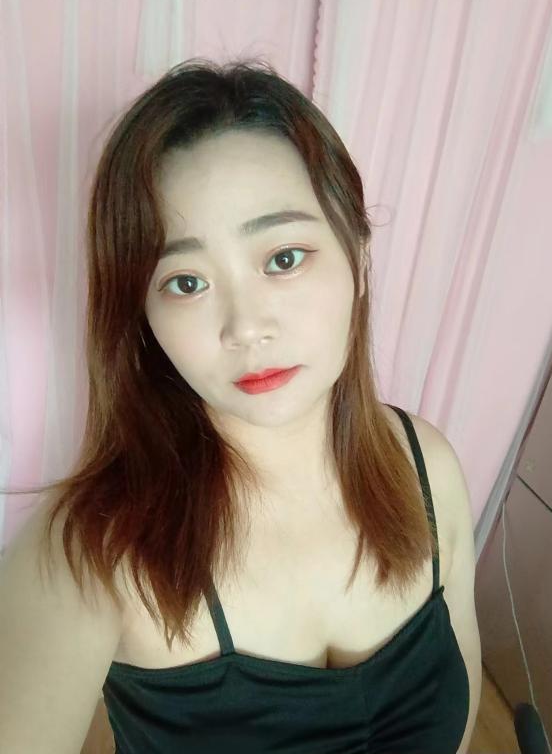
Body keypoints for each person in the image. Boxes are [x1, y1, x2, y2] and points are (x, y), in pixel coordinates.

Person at [0, 57, 479, 754]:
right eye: (186, 281)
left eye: (283, 258)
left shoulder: (427, 468)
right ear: (142, 316)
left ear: (359, 257)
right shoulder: (89, 553)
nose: (245, 327)